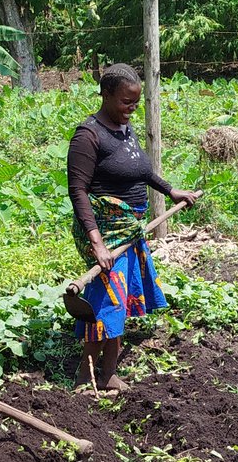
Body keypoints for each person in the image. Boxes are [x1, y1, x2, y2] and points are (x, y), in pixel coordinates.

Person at [67, 63, 201, 390]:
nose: (131, 108)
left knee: (119, 299)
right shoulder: (88, 136)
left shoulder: (124, 128)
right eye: (126, 102)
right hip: (106, 232)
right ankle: (87, 376)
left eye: (136, 103)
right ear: (106, 94)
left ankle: (109, 372)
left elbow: (141, 169)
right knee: (108, 301)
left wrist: (170, 190)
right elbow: (78, 191)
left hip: (129, 229)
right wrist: (97, 243)